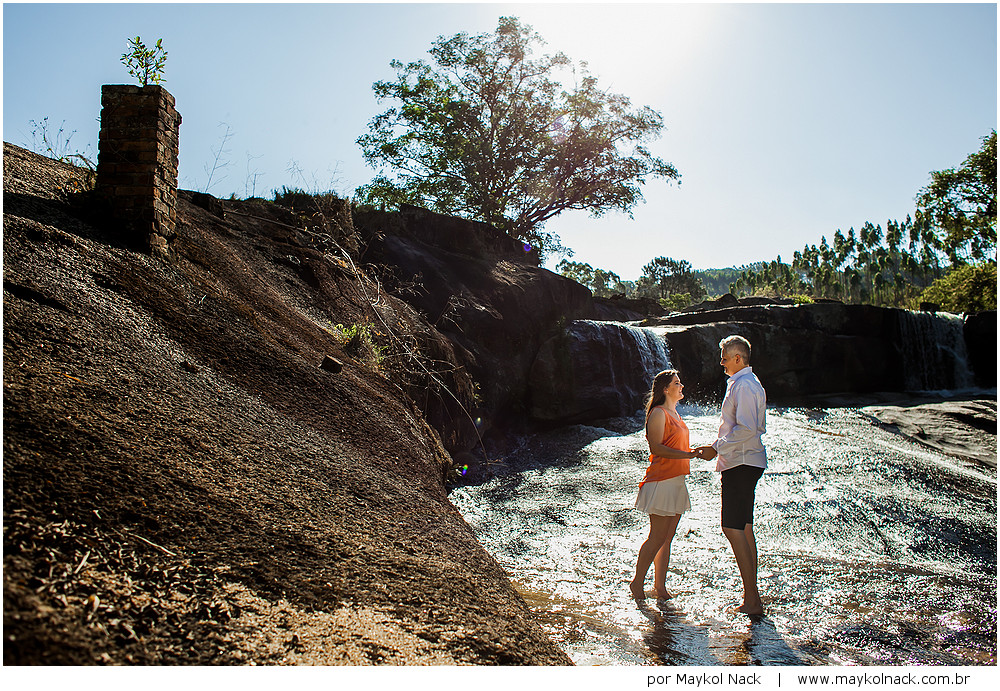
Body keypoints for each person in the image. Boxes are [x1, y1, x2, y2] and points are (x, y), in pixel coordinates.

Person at [695, 335, 767, 616]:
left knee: (732, 527)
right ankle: (752, 595)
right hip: (744, 461)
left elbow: (746, 429)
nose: (721, 362)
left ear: (738, 358)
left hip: (741, 462)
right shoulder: (743, 382)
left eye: (724, 358)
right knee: (744, 527)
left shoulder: (745, 386)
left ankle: (753, 600)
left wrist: (716, 448)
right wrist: (717, 447)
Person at [630, 369, 702, 601]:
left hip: (676, 481)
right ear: (666, 389)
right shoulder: (659, 413)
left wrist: (694, 452)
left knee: (666, 539)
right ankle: (637, 583)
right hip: (661, 481)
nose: (681, 386)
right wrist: (689, 455)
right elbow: (656, 448)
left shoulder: (676, 414)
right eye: (677, 383)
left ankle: (659, 587)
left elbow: (677, 446)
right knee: (657, 537)